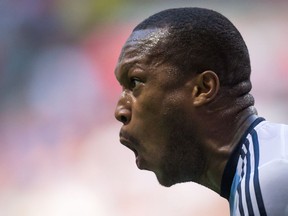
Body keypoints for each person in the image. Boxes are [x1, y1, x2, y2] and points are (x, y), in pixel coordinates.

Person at [114, 7, 288, 216]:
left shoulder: (267, 181)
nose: (120, 111)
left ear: (203, 88)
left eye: (135, 81)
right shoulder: (266, 162)